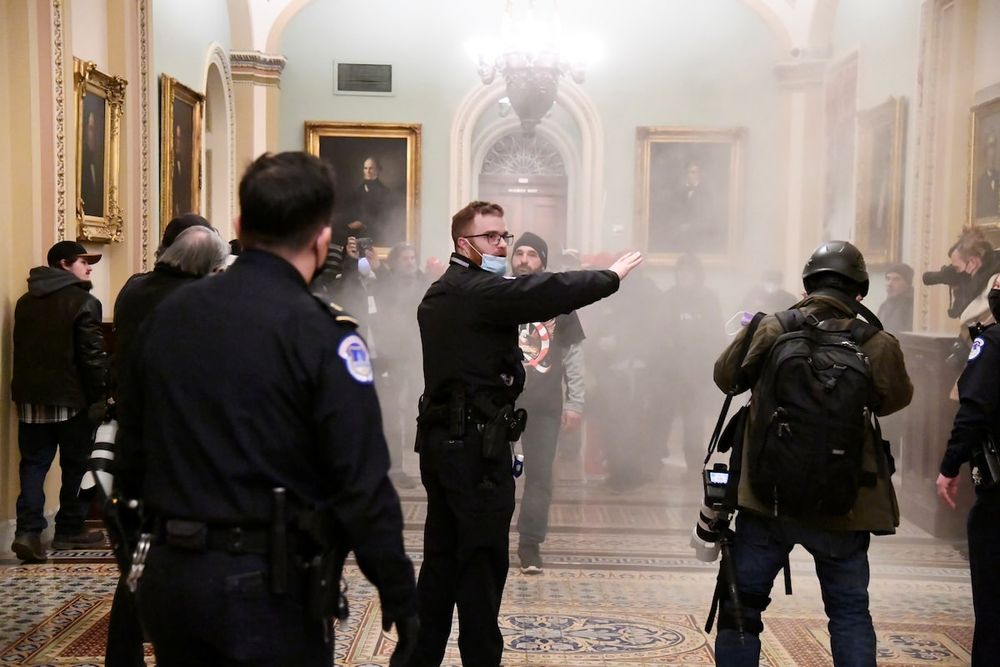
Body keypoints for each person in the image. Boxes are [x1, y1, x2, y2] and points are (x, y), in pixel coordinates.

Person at [117, 152, 418, 666]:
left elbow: (132, 454)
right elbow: (361, 481)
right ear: (322, 239)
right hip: (266, 586)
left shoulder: (169, 316)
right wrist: (400, 595)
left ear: (238, 226)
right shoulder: (323, 335)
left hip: (173, 579)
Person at [410, 201, 642, 666]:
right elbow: (546, 291)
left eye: (504, 236)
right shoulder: (477, 291)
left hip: (444, 444)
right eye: (491, 237)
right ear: (463, 244)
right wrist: (608, 277)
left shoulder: (443, 292)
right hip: (473, 452)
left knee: (440, 564)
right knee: (479, 570)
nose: (502, 244)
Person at [713, 240, 912, 667]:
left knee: (741, 609)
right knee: (849, 614)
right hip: (845, 503)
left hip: (765, 498)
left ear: (807, 284)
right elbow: (894, 399)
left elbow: (726, 378)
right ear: (860, 291)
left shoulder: (773, 327)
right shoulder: (878, 343)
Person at [105, 224, 229, 667]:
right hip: (180, 444)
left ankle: (123, 654)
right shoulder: (194, 305)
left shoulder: (133, 289)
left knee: (137, 557)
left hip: (134, 436)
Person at [10, 241, 108, 563]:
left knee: (34, 466)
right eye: (84, 261)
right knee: (76, 466)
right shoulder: (83, 301)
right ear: (64, 264)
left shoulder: (25, 302)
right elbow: (91, 357)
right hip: (71, 399)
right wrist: (101, 395)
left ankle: (28, 532)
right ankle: (68, 530)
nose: (89, 267)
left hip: (31, 399)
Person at [510, 232, 587, 575]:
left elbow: (574, 357)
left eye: (531, 255)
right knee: (494, 476)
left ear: (542, 260)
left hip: (544, 406)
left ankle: (530, 545)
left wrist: (576, 403)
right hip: (501, 403)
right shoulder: (499, 296)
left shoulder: (560, 302)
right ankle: (491, 539)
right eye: (519, 253)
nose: (524, 260)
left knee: (540, 476)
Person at [936, 274, 1000, 666]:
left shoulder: (991, 343)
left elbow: (973, 410)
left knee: (993, 594)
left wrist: (949, 465)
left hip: (999, 498)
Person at [660, 253, 724, 475]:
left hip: (697, 369)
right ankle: (654, 458)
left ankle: (694, 462)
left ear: (698, 275)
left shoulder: (708, 299)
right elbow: (659, 331)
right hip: (669, 368)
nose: (684, 276)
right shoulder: (668, 298)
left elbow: (716, 335)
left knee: (694, 419)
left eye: (688, 272)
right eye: (680, 272)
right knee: (663, 415)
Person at [350, 156, 404, 247]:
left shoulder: (385, 192)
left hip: (375, 235)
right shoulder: (357, 191)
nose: (368, 171)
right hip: (355, 234)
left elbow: (385, 217)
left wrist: (363, 223)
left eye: (371, 168)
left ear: (378, 170)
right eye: (365, 168)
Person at [877, 263, 914, 334]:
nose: (889, 284)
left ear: (907, 283)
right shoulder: (884, 306)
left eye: (896, 279)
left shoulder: (912, 306)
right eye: (888, 279)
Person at [976, 135, 1000, 220]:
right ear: (985, 157)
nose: (991, 159)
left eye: (993, 156)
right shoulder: (980, 183)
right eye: (989, 156)